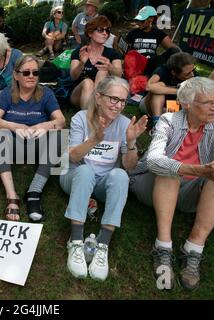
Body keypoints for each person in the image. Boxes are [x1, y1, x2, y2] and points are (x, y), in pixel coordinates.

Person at [129, 77, 214, 290]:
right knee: (169, 168)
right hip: (153, 186)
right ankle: (163, 246)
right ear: (188, 104)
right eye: (209, 102)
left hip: (192, 191)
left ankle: (194, 248)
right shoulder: (168, 120)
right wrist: (197, 169)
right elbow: (153, 161)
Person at [60, 76, 147, 281]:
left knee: (120, 175)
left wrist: (132, 141)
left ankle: (103, 244)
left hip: (102, 183)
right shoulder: (81, 118)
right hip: (74, 176)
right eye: (113, 99)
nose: (118, 106)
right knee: (85, 172)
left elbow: (130, 166)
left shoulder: (125, 124)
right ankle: (76, 240)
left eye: (123, 101)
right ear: (98, 97)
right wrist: (94, 139)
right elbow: (72, 157)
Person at [0, 55, 66, 222]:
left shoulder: (46, 93)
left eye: (35, 72)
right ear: (16, 75)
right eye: (26, 72)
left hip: (38, 146)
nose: (31, 76)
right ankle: (12, 196)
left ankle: (34, 192)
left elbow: (61, 120)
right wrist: (14, 126)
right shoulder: (7, 93)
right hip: (13, 146)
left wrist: (45, 126)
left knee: (59, 137)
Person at [69, 16, 123, 109]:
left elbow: (119, 75)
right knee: (87, 82)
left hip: (103, 96)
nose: (105, 33)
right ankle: (90, 115)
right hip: (79, 94)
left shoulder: (113, 53)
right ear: (90, 33)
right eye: (100, 30)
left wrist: (110, 67)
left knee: (103, 72)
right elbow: (73, 77)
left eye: (107, 31)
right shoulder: (79, 52)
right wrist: (81, 63)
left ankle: (91, 113)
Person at [139, 52, 196, 130]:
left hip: (171, 109)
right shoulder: (163, 69)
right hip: (150, 104)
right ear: (174, 72)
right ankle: (157, 125)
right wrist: (178, 91)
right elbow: (149, 86)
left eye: (193, 70)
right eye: (187, 74)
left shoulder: (192, 75)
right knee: (159, 85)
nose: (192, 74)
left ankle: (166, 122)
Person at [125, 6, 177, 76]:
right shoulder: (133, 33)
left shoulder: (158, 33)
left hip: (152, 64)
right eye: (138, 20)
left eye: (142, 20)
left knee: (169, 54)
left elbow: (173, 49)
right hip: (137, 64)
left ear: (151, 19)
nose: (139, 23)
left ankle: (157, 77)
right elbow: (122, 47)